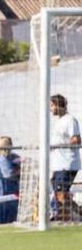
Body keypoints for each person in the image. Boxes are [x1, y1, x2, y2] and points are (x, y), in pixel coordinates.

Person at [51, 94, 80, 224]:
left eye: (51, 105)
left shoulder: (70, 120)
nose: (50, 108)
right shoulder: (58, 121)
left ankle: (63, 218)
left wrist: (58, 146)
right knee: (60, 194)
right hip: (58, 164)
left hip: (68, 164)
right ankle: (77, 212)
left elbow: (76, 139)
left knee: (61, 193)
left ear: (58, 105)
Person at [0, 136, 20, 224]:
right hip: (3, 188)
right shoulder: (2, 158)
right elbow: (8, 174)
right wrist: (19, 171)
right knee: (4, 208)